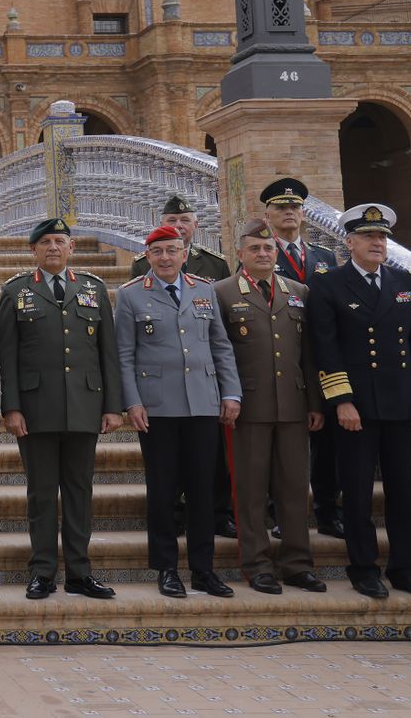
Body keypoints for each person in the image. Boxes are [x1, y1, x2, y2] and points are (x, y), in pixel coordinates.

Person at [308, 203, 411, 599]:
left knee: (401, 492)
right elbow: (325, 350)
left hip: (401, 404)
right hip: (356, 409)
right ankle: (363, 567)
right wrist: (342, 401)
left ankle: (405, 568)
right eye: (368, 237)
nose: (377, 243)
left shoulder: (405, 282)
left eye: (381, 237)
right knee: (358, 491)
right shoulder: (329, 284)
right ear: (349, 243)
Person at [0, 218, 122, 600]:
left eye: (60, 241)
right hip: (35, 410)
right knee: (41, 493)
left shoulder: (93, 288)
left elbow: (108, 353)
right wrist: (11, 408)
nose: (53, 247)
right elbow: (7, 356)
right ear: (33, 250)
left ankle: (81, 572)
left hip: (84, 405)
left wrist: (113, 406)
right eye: (46, 242)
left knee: (80, 492)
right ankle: (43, 571)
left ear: (71, 249)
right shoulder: (17, 291)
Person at [117, 224, 241, 599]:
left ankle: (204, 569)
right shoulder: (132, 296)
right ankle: (167, 567)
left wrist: (231, 392)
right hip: (157, 407)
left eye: (172, 251)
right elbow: (123, 354)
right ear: (147, 256)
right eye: (158, 252)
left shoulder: (205, 290)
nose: (166, 258)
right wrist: (132, 402)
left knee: (203, 488)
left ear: (184, 253)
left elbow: (221, 346)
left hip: (203, 402)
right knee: (163, 491)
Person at [212, 219, 327, 595]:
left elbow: (308, 354)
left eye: (269, 249)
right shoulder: (222, 292)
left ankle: (298, 564)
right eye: (255, 249)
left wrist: (314, 402)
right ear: (241, 254)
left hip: (294, 405)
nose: (263, 254)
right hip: (248, 407)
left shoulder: (298, 292)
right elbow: (220, 352)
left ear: (276, 253)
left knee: (295, 488)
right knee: (250, 491)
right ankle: (257, 565)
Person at [262, 176, 344, 539]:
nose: (289, 213)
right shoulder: (261, 255)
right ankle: (278, 513)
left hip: (324, 363)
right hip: (282, 362)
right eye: (281, 207)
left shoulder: (326, 259)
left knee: (328, 444)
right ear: (268, 214)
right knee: (282, 446)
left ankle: (329, 511)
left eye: (294, 207)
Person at [129, 195, 232, 280]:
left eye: (185, 220)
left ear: (195, 225)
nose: (178, 225)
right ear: (161, 225)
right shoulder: (143, 264)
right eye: (172, 220)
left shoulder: (215, 263)